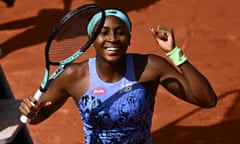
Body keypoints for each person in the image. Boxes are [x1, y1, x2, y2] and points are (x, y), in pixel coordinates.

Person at [19, 7, 217, 144]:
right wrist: (31, 112)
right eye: (104, 32)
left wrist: (174, 52)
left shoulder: (150, 67)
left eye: (120, 32)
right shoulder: (73, 75)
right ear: (92, 40)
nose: (112, 39)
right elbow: (40, 114)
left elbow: (207, 100)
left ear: (129, 39)